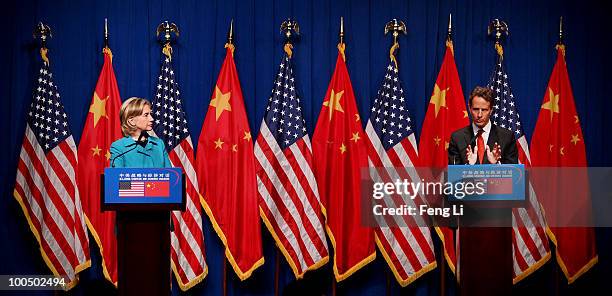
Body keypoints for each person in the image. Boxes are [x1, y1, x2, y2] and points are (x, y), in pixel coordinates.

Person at [447, 86, 517, 296]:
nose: (479, 115)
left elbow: (514, 184)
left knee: (497, 280)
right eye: (475, 109)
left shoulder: (506, 137)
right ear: (469, 108)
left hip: (497, 223)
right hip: (471, 223)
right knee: (472, 281)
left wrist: (495, 167)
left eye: (484, 110)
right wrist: (469, 169)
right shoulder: (458, 138)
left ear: (491, 110)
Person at [110, 97, 171, 168]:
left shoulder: (159, 144)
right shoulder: (118, 147)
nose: (151, 119)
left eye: (150, 114)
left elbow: (171, 175)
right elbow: (115, 177)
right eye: (146, 115)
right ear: (131, 121)